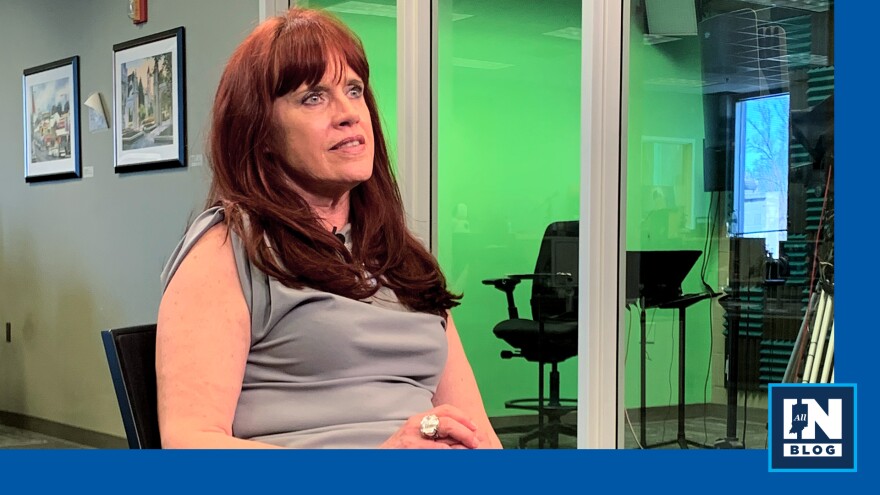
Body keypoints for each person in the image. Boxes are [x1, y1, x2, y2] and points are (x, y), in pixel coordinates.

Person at [156, 6, 502, 449]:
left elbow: (478, 432)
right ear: (259, 131)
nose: (348, 114)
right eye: (313, 97)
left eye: (354, 90)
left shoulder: (400, 260)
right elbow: (190, 444)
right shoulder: (229, 246)